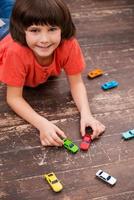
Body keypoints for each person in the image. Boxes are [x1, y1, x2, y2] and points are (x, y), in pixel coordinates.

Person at [0, 0, 105, 147]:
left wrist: (87, 114)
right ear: (23, 31)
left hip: (18, 21)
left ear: (63, 28)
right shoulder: (15, 52)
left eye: (52, 29)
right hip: (3, 34)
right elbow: (13, 98)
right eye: (35, 30)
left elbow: (76, 83)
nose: (44, 40)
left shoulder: (68, 44)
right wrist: (42, 124)